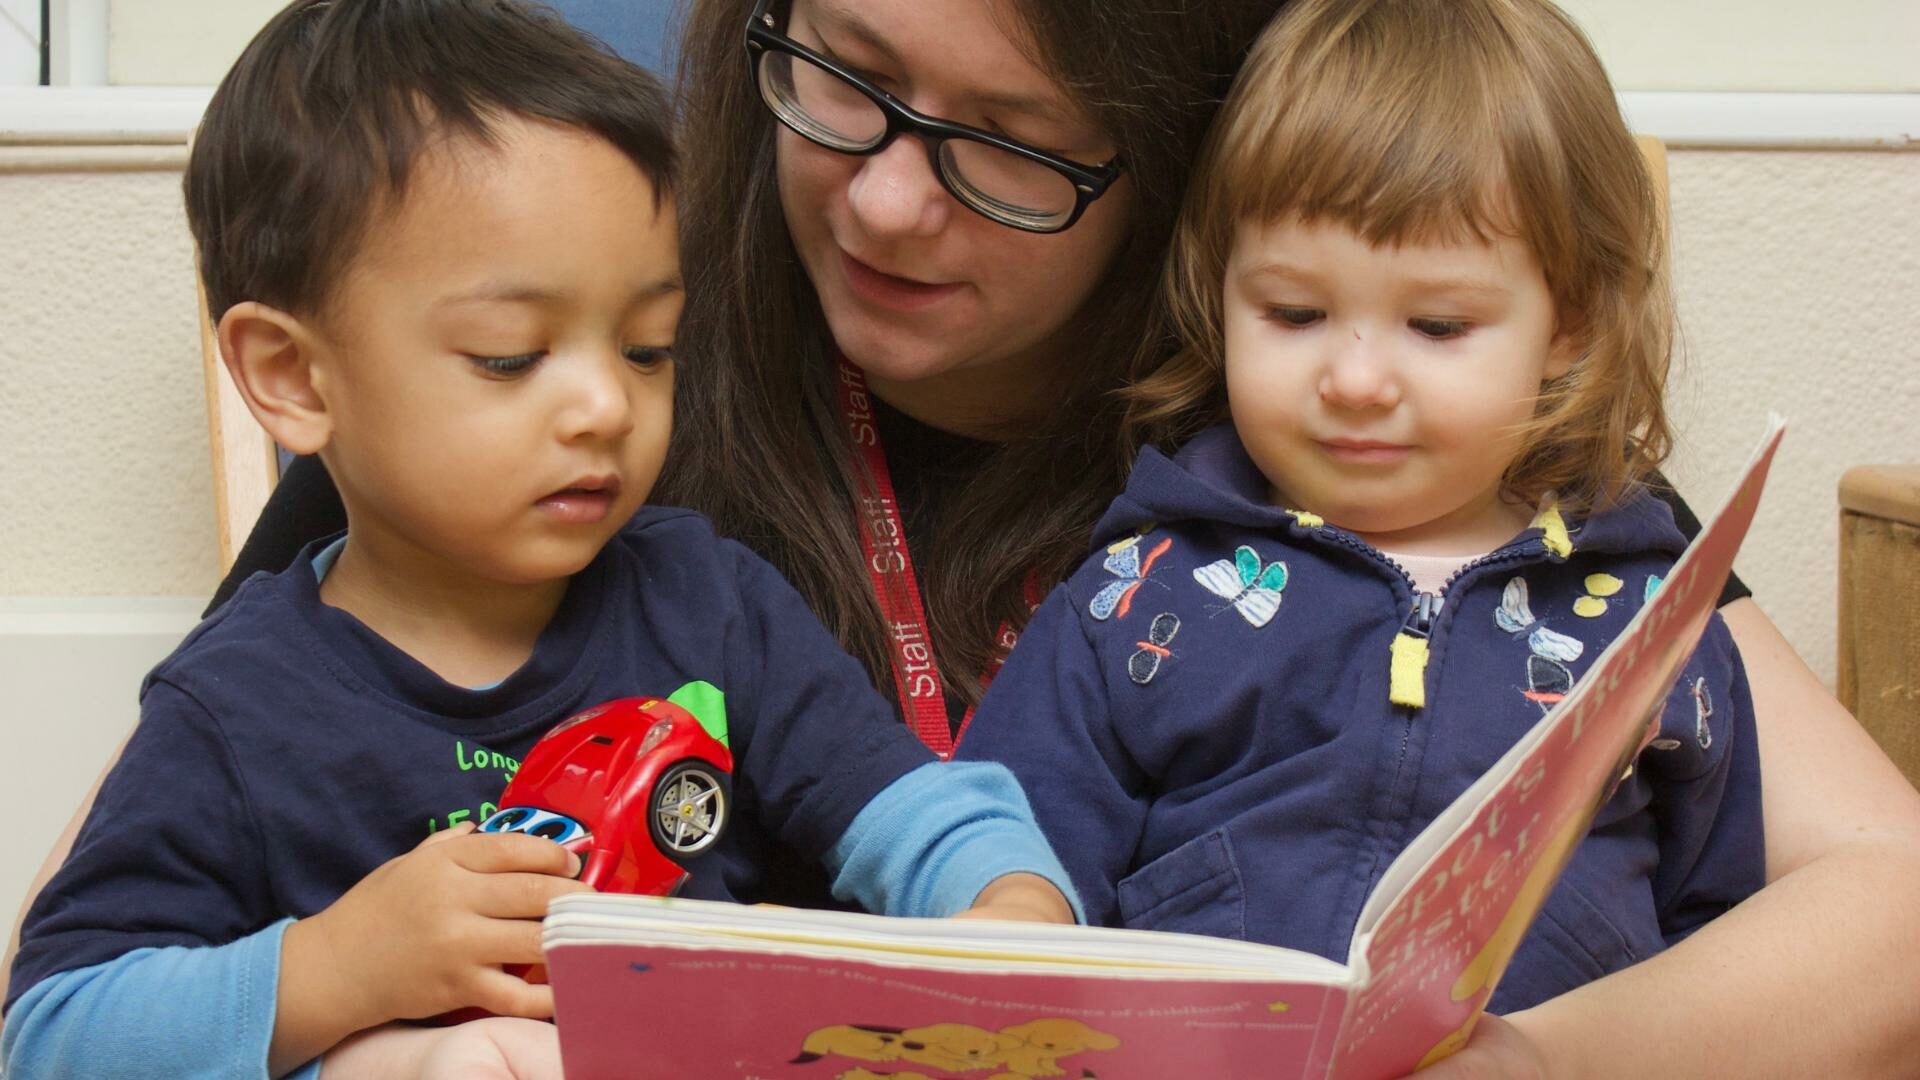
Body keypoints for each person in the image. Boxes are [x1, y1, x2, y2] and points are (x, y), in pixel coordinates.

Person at [10, 0, 1920, 1074]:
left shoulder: (1359, 418)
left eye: (1005, 144)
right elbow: (172, 914)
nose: (893, 201)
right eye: (841, 74)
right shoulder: (588, 339)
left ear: (1182, 186)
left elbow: (1885, 899)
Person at [0, 2, 1078, 1077]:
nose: (604, 405)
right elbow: (55, 1036)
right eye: (512, 357)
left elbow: (907, 810)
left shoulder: (710, 600)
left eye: (650, 348)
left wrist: (1006, 900)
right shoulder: (234, 708)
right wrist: (341, 970)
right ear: (292, 377)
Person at [961, 0, 1754, 1013]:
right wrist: (1009, 919)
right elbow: (1005, 856)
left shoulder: (1652, 617)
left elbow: (1723, 924)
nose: (1356, 379)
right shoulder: (1139, 589)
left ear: (1573, 321)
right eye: (1293, 313)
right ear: (1221, 290)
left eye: (1436, 324)